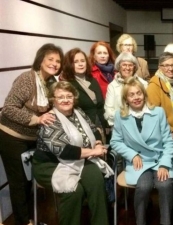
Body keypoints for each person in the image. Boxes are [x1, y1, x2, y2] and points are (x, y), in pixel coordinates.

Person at [32, 81, 113, 225]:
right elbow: (64, 151)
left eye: (69, 96)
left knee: (96, 182)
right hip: (51, 164)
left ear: (74, 98)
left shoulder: (78, 111)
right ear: (53, 100)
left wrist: (98, 142)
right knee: (74, 192)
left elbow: (94, 129)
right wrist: (94, 151)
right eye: (60, 97)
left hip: (80, 160)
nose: (65, 100)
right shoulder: (50, 120)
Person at [0, 43, 62, 225]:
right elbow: (8, 109)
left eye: (58, 61)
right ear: (40, 60)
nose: (54, 63)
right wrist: (36, 119)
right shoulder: (27, 79)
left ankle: (28, 219)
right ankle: (23, 221)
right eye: (50, 59)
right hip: (11, 137)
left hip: (31, 139)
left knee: (28, 181)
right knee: (19, 183)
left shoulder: (51, 82)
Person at [110, 77, 173, 225]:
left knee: (164, 185)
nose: (136, 97)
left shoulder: (158, 112)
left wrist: (165, 164)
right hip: (138, 162)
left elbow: (168, 141)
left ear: (144, 94)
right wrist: (132, 155)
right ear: (126, 99)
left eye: (139, 93)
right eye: (131, 95)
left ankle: (166, 222)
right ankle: (140, 222)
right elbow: (115, 141)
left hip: (159, 159)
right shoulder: (120, 116)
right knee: (144, 186)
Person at [61, 48, 109, 138]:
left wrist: (105, 125)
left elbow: (100, 105)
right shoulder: (67, 85)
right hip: (82, 131)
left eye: (82, 61)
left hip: (100, 127)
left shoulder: (93, 80)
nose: (80, 64)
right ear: (69, 64)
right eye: (76, 62)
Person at [147, 52, 173, 146]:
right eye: (166, 65)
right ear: (159, 67)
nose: (170, 69)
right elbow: (153, 115)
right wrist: (169, 131)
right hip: (167, 136)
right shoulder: (154, 86)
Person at [104, 52, 148, 127]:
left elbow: (148, 106)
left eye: (130, 65)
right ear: (119, 67)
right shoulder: (112, 86)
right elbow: (108, 111)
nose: (127, 68)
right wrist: (128, 117)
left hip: (141, 124)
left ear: (134, 67)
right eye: (124, 65)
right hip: (120, 126)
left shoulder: (143, 84)